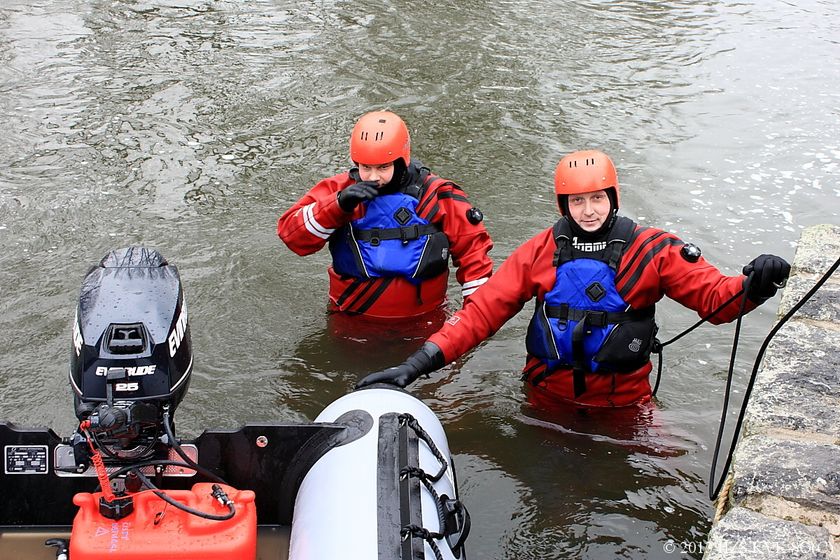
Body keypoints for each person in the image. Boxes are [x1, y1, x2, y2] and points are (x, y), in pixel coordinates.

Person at [356, 149, 791, 408]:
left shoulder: (652, 250)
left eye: (597, 198)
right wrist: (416, 365)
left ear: (613, 198)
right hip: (544, 401)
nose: (588, 211)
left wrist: (755, 284)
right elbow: (481, 314)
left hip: (624, 406)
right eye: (577, 200)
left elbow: (716, 301)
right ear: (563, 204)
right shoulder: (541, 250)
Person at [277, 111, 493, 319]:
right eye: (365, 167)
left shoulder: (438, 196)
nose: (373, 177)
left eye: (383, 167)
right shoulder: (339, 190)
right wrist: (337, 205)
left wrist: (474, 321)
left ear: (401, 161)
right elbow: (292, 237)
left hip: (425, 321)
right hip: (351, 321)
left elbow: (474, 258)